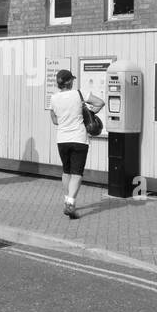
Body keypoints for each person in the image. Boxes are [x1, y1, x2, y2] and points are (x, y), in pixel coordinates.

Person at [50, 69, 103, 217]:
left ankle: (67, 200)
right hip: (79, 138)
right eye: (72, 79)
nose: (73, 81)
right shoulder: (79, 94)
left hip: (62, 139)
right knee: (77, 173)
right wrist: (90, 112)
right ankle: (71, 202)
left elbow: (55, 120)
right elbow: (100, 102)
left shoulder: (54, 98)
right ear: (69, 82)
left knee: (66, 171)